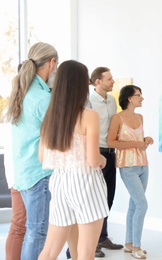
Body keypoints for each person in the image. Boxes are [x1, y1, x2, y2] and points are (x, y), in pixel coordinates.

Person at [37, 60, 109, 260]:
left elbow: (42, 157)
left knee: (50, 250)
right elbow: (93, 160)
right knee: (86, 253)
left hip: (59, 182)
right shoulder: (89, 115)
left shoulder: (49, 117)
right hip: (86, 183)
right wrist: (103, 158)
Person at [5, 42, 58, 259]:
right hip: (39, 173)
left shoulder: (22, 91)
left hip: (23, 172)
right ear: (52, 63)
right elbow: (56, 136)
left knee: (30, 231)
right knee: (37, 233)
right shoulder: (42, 98)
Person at [107, 85, 153, 259]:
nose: (141, 98)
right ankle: (136, 247)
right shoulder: (117, 118)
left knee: (134, 204)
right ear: (129, 98)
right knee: (142, 204)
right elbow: (111, 142)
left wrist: (146, 139)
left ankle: (129, 243)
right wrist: (136, 144)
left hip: (143, 164)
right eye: (138, 95)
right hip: (128, 167)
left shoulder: (140, 117)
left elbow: (139, 139)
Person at [89, 67, 123, 256]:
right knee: (94, 198)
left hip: (111, 154)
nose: (113, 81)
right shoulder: (88, 102)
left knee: (108, 197)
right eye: (109, 79)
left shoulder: (112, 100)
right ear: (98, 82)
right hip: (96, 154)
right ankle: (92, 243)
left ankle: (102, 236)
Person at [4, 63, 26, 260]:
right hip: (20, 176)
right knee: (19, 224)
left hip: (24, 174)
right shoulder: (15, 107)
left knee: (24, 225)